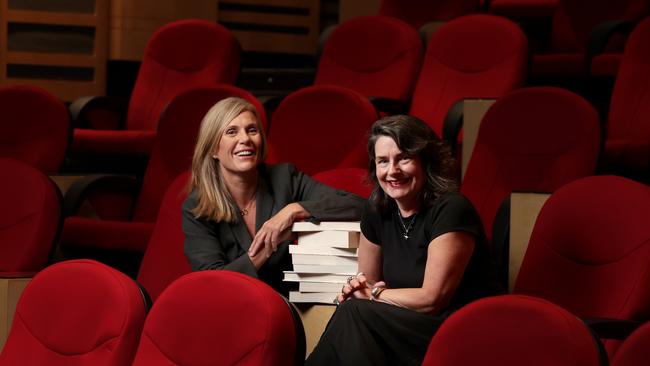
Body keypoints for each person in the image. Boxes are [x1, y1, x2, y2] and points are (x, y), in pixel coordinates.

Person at [306, 115, 499, 366]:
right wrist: (362, 292)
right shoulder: (377, 211)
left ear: (425, 161)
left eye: (403, 158)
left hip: (456, 327)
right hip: (401, 323)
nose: (392, 171)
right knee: (351, 313)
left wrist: (373, 294)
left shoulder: (452, 209)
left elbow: (432, 299)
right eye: (383, 161)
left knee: (354, 313)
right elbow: (368, 282)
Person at [182, 97, 365, 295]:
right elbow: (214, 284)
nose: (245, 139)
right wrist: (271, 243)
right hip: (234, 307)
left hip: (290, 305)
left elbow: (357, 206)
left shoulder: (284, 178)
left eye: (252, 130)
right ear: (212, 149)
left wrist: (295, 210)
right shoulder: (196, 207)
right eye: (231, 132)